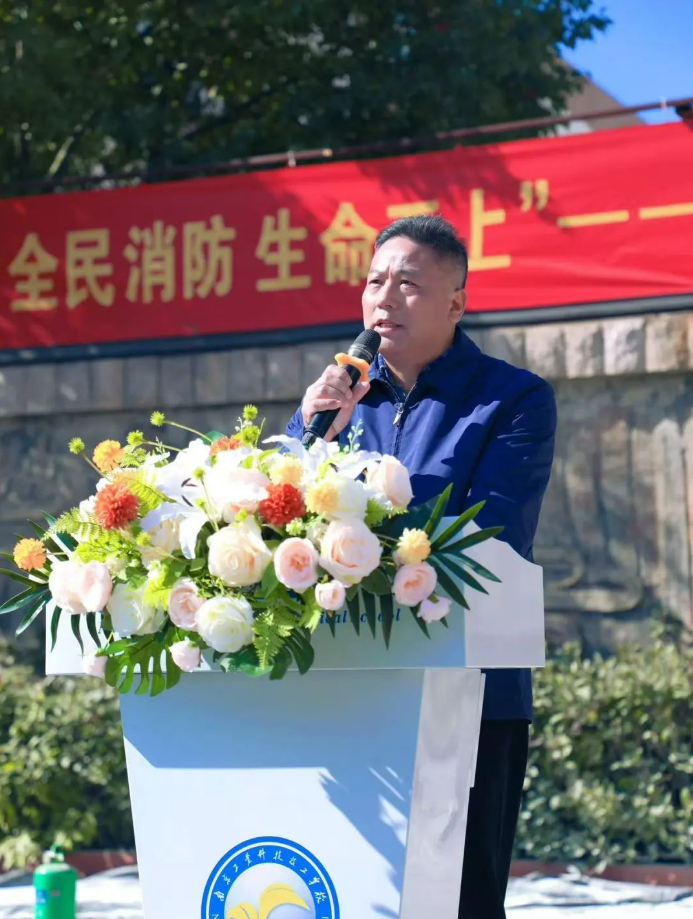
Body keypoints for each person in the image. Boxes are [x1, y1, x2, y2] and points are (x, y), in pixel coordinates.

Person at [286, 214, 556, 919]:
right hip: (341, 689)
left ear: (455, 303)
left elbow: (490, 538)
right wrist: (311, 443)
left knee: (458, 901)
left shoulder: (512, 400)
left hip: (468, 695)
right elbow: (277, 524)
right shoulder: (334, 403)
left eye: (407, 283)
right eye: (374, 280)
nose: (384, 298)